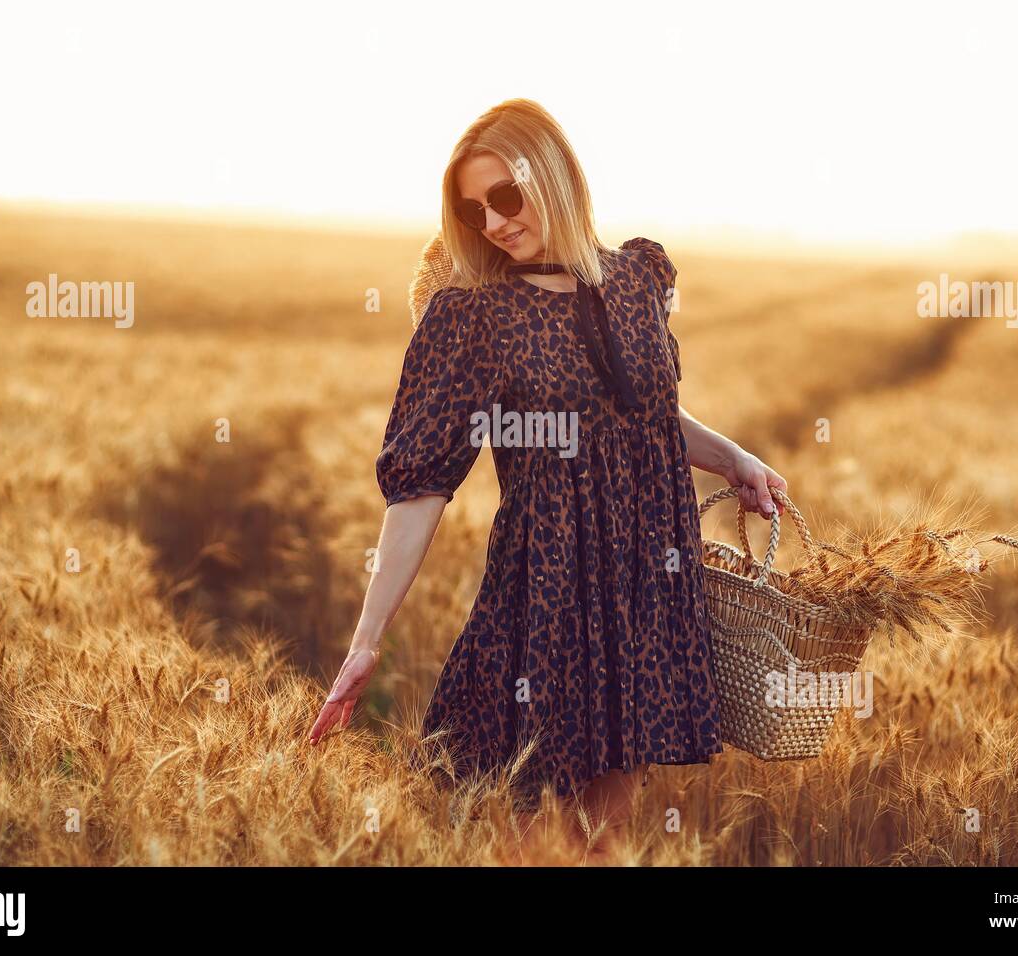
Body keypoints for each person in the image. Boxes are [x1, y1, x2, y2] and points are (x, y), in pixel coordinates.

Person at [309, 98, 786, 859]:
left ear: (556, 174)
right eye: (473, 212)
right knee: (527, 841)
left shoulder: (636, 281)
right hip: (548, 601)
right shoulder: (475, 318)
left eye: (505, 196)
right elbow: (421, 486)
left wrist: (735, 459)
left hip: (643, 598)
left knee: (601, 841)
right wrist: (368, 642)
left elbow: (644, 415)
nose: (493, 223)